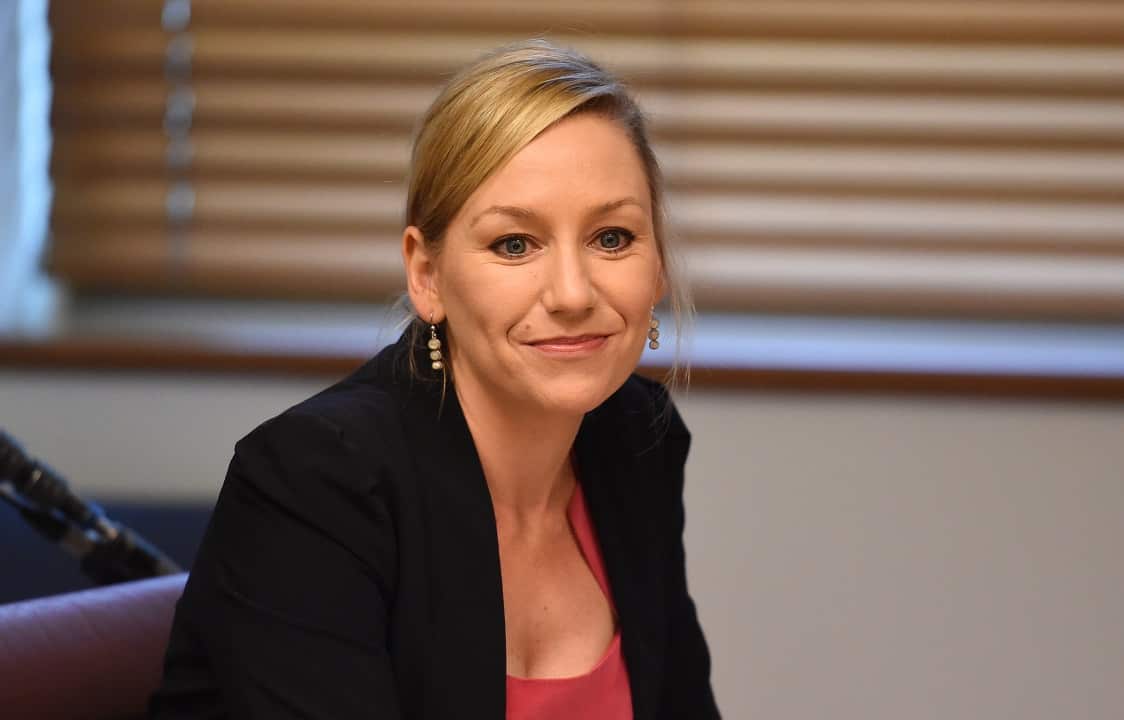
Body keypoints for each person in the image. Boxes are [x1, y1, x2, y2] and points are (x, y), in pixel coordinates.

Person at [149, 38, 720, 720]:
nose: (572, 293)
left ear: (657, 266)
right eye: (514, 244)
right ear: (427, 276)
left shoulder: (636, 436)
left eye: (612, 238)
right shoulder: (315, 482)